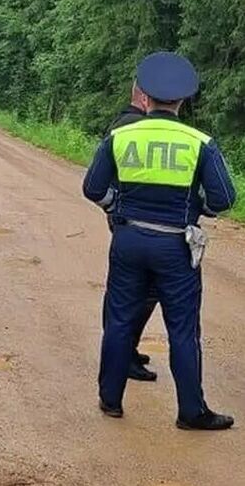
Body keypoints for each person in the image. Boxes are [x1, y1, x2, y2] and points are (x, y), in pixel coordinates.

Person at [83, 52, 237, 430]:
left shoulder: (120, 136)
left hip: (129, 239)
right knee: (182, 329)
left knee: (119, 321)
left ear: (144, 97)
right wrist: (196, 209)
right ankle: (190, 412)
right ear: (182, 101)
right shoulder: (200, 142)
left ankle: (110, 399)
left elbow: (92, 188)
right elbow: (225, 199)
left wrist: (117, 204)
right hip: (175, 246)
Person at [104, 87, 159, 383]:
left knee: (131, 291)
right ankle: (124, 353)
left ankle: (126, 350)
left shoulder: (122, 122)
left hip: (125, 216)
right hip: (135, 218)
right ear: (145, 98)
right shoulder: (133, 126)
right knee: (143, 292)